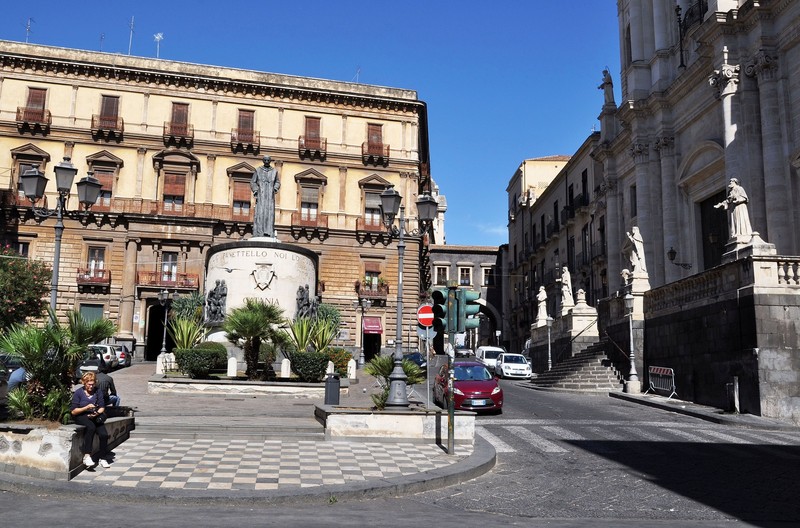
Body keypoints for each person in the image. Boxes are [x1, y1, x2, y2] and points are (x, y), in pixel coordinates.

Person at [70, 371, 111, 468]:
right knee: (91, 427)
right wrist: (86, 408)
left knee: (104, 434)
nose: (91, 387)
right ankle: (87, 455)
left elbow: (102, 407)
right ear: (84, 383)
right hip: (81, 415)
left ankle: (103, 457)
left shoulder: (98, 391)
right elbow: (73, 411)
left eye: (93, 384)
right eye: (89, 384)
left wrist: (96, 413)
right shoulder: (78, 393)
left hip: (95, 415)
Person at [251, 155, 281, 237]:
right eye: (265, 160)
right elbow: (253, 182)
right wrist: (255, 190)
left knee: (269, 213)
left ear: (270, 161)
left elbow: (277, 182)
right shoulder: (258, 170)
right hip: (261, 195)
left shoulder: (274, 171)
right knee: (260, 213)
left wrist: (275, 188)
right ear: (263, 161)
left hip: (270, 196)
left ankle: (269, 232)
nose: (267, 162)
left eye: (268, 160)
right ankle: (259, 232)